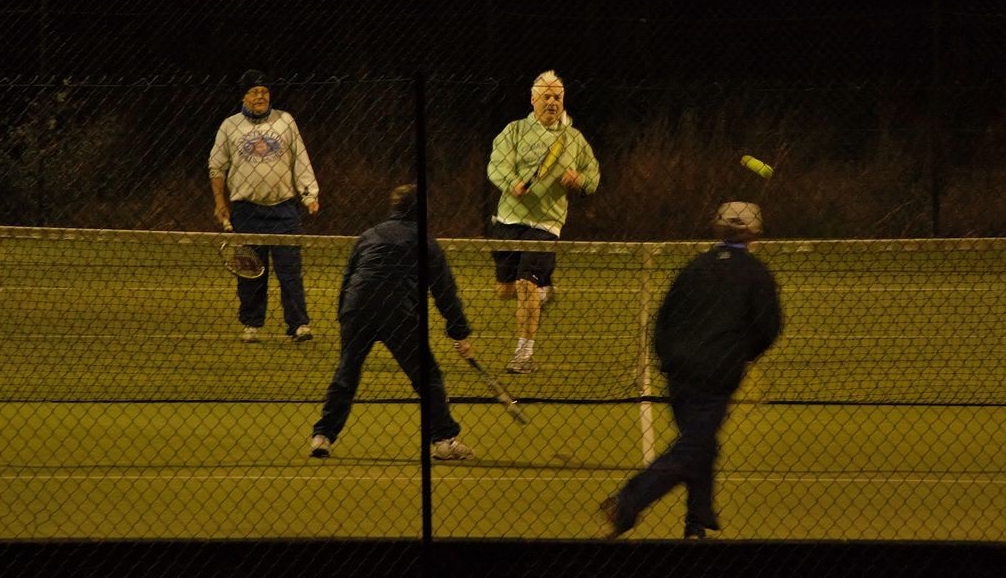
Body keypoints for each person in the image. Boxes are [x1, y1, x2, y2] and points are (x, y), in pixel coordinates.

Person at [602, 201, 783, 539]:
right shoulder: (757, 273)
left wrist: (669, 359)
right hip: (717, 375)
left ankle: (697, 522)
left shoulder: (694, 267)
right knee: (695, 448)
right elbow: (769, 327)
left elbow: (664, 319)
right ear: (754, 235)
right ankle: (628, 502)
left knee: (702, 444)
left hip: (680, 374)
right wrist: (742, 355)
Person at [309, 184, 477, 461]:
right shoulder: (426, 241)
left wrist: (345, 315)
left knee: (346, 372)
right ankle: (444, 441)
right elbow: (445, 291)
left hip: (357, 310)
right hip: (398, 314)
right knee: (428, 377)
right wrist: (459, 332)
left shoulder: (369, 235)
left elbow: (349, 277)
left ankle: (322, 436)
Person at [486, 70, 600, 374]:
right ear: (533, 99)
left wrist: (581, 179)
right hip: (508, 219)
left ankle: (523, 355)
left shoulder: (574, 140)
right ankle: (545, 291)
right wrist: (511, 182)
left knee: (525, 284)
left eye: (557, 97)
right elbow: (496, 165)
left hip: (547, 223)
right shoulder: (514, 131)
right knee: (505, 289)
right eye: (546, 96)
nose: (552, 101)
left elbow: (594, 175)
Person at [208, 69, 320, 343]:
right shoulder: (230, 126)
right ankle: (252, 325)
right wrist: (220, 202)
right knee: (251, 272)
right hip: (247, 209)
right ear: (244, 96)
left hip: (283, 209)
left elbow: (300, 159)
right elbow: (216, 166)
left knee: (289, 272)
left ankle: (298, 326)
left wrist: (309, 194)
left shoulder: (285, 121)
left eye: (264, 92)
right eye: (254, 92)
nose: (260, 96)